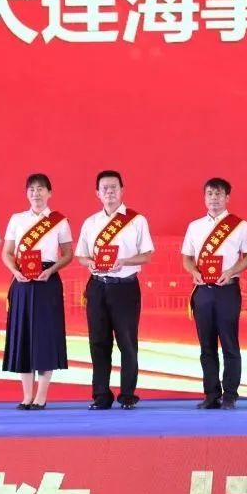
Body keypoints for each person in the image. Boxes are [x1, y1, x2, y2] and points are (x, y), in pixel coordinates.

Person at [74, 170, 155, 410]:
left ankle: (127, 394)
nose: (109, 192)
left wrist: (125, 262)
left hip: (125, 287)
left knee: (127, 342)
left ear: (122, 190)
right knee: (98, 341)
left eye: (113, 187)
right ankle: (101, 395)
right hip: (98, 286)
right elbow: (81, 255)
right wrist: (89, 263)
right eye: (105, 188)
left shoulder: (137, 221)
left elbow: (147, 255)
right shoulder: (91, 222)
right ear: (97, 193)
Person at [0, 173, 73, 410]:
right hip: (22, 280)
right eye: (31, 189)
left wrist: (51, 270)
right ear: (26, 193)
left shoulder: (59, 221)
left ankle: (41, 395)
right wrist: (15, 271)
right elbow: (7, 252)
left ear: (49, 193)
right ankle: (26, 395)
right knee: (23, 335)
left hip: (47, 280)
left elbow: (68, 254)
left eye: (41, 189)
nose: (36, 193)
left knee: (45, 336)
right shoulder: (17, 219)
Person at [180, 177, 247, 410]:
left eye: (219, 194)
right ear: (205, 197)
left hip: (227, 290)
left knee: (230, 343)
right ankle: (211, 394)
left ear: (227, 198)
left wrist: (231, 271)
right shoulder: (195, 227)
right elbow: (187, 257)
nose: (214, 198)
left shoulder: (240, 225)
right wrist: (194, 272)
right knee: (206, 346)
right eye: (210, 194)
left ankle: (230, 394)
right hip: (203, 290)